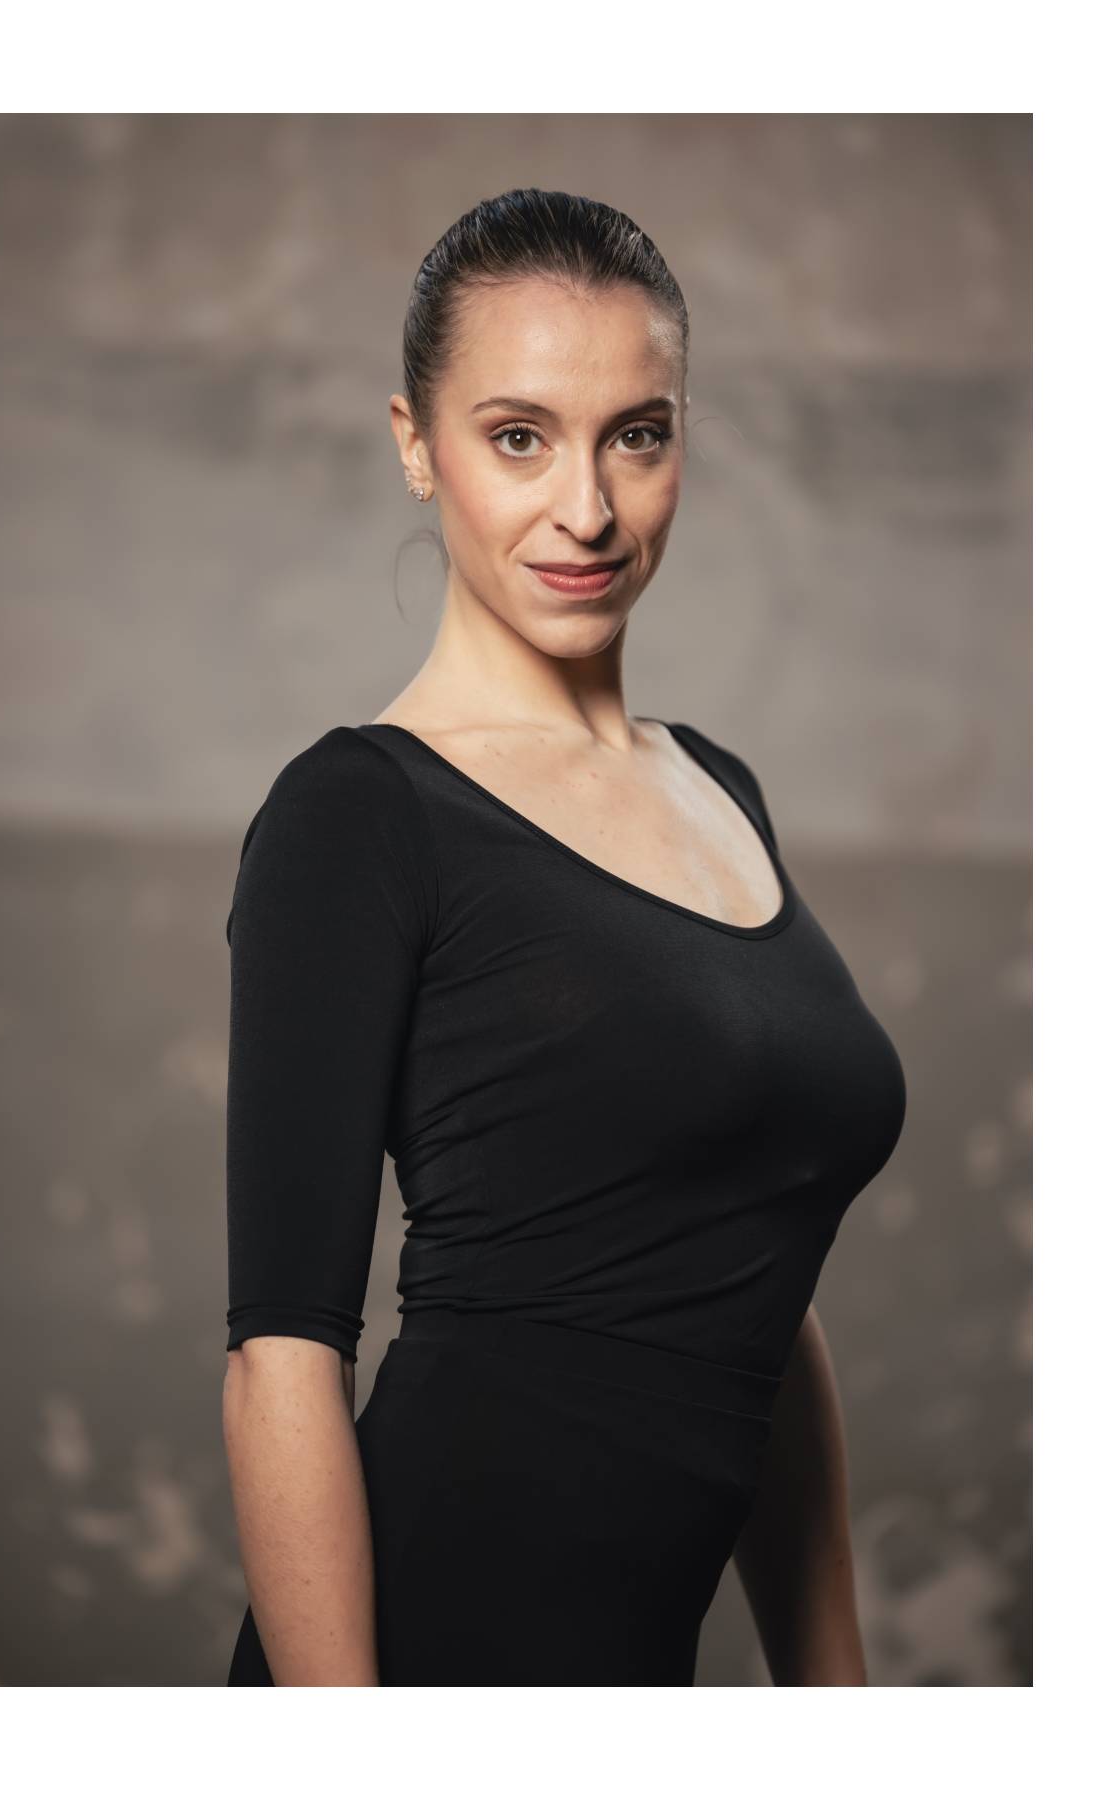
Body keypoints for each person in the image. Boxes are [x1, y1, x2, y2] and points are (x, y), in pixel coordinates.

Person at [221, 187, 907, 1687]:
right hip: (425, 1662)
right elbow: (282, 1355)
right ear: (417, 444)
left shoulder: (720, 787)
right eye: (518, 437)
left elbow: (754, 1278)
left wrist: (837, 1694)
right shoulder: (360, 814)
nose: (586, 510)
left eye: (635, 436)